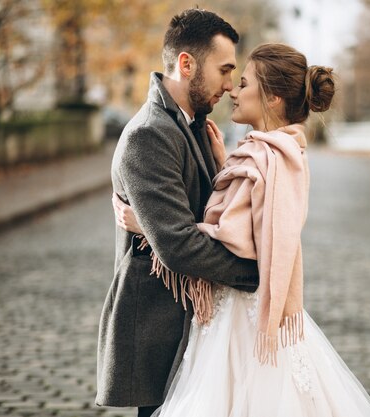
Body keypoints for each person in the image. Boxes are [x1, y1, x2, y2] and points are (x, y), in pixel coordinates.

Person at [114, 43, 370, 417]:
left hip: (242, 321)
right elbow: (250, 213)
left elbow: (245, 242)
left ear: (272, 98)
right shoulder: (265, 153)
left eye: (242, 82)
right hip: (229, 315)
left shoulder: (272, 158)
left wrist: (150, 226)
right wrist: (227, 165)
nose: (233, 91)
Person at [95, 9, 259, 417]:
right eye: (224, 70)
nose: (228, 84)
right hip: (160, 332)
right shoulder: (149, 134)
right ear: (187, 64)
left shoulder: (196, 124)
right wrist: (252, 273)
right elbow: (180, 245)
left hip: (197, 324)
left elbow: (208, 215)